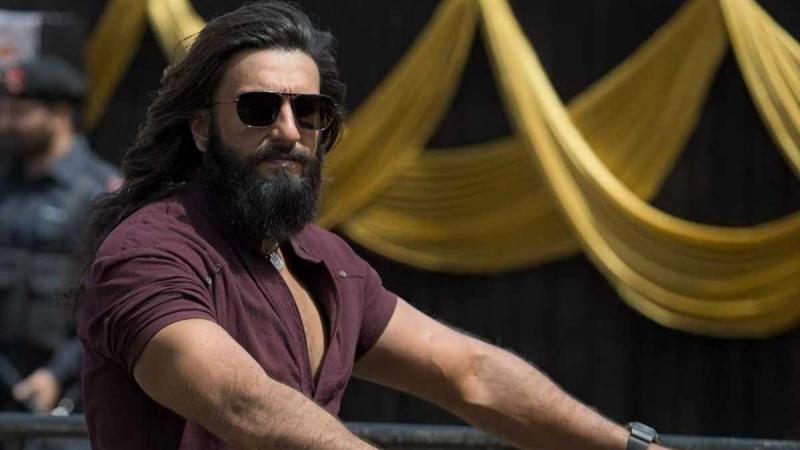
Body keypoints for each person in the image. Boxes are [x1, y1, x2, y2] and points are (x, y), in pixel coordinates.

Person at [75, 2, 672, 449]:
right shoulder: (150, 253)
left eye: (308, 111)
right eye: (259, 108)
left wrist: (628, 446)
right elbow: (242, 404)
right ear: (203, 129)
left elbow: (470, 374)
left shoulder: (327, 262)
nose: (288, 131)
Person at [0, 56, 120, 414]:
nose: (5, 123)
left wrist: (57, 375)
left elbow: (111, 303)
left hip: (67, 396)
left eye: (20, 113)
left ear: (61, 114)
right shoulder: (5, 184)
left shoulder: (99, 194)